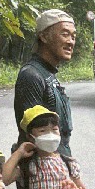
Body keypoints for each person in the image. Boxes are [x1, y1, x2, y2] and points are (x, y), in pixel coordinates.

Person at [13, 9, 76, 156]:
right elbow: (34, 135)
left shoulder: (48, 74)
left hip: (57, 162)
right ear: (44, 37)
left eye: (73, 36)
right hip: (41, 168)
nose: (70, 42)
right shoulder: (31, 75)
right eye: (65, 34)